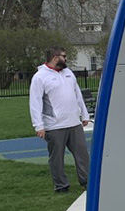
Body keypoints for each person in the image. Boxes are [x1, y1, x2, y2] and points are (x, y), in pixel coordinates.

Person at [29, 46, 91, 194]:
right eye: (64, 56)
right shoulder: (40, 77)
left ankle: (87, 181)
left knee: (82, 154)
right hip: (54, 125)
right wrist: (38, 125)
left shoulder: (68, 73)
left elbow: (77, 94)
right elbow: (35, 102)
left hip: (74, 123)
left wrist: (84, 114)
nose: (66, 59)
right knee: (57, 158)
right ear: (56, 57)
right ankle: (61, 185)